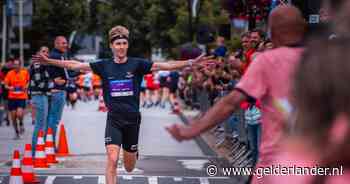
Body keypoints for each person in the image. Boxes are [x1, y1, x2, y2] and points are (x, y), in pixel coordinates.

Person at [33, 25, 210, 184]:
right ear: (111, 46)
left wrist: (190, 63)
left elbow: (165, 65)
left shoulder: (137, 64)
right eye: (118, 44)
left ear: (127, 45)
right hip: (114, 120)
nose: (121, 47)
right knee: (111, 158)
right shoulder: (104, 65)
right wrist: (50, 62)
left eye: (124, 43)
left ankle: (133, 152)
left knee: (129, 167)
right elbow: (75, 65)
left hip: (132, 120)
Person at [166, 5, 306, 184]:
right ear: (302, 27)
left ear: (272, 32)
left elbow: (230, 102)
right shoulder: (324, 59)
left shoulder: (267, 61)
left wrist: (193, 130)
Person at [29, 46, 53, 154]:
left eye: (47, 52)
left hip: (42, 95)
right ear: (38, 53)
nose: (46, 53)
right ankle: (35, 152)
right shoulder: (38, 64)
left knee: (41, 124)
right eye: (43, 51)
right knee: (40, 124)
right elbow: (39, 82)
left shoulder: (44, 65)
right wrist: (52, 84)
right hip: (39, 95)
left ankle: (39, 150)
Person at [47, 36, 70, 141]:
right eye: (63, 43)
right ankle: (50, 144)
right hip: (58, 91)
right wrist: (79, 72)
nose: (66, 45)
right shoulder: (59, 56)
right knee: (55, 119)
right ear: (56, 44)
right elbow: (66, 74)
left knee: (49, 118)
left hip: (50, 91)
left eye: (66, 43)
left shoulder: (50, 56)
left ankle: (45, 142)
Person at [4, 59, 30, 140]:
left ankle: (21, 123)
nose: (15, 66)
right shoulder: (9, 73)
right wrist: (10, 87)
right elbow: (5, 85)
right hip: (12, 97)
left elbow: (29, 81)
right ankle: (16, 132)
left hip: (21, 97)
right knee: (13, 117)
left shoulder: (24, 72)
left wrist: (26, 86)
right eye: (14, 65)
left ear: (20, 65)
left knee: (19, 114)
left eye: (17, 64)